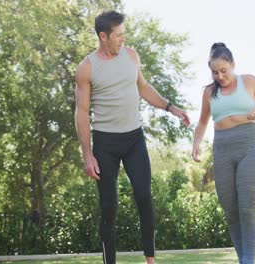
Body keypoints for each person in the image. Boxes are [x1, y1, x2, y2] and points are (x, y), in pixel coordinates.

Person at [74, 10, 190, 264]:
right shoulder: (86, 68)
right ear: (103, 36)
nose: (122, 39)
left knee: (144, 196)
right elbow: (81, 113)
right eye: (118, 36)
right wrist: (87, 154)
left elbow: (144, 88)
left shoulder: (131, 56)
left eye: (124, 34)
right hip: (105, 143)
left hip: (133, 139)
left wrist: (171, 107)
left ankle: (150, 259)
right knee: (109, 207)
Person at [192, 42, 255, 264]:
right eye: (215, 72)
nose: (220, 76)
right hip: (222, 150)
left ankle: (248, 260)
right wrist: (196, 143)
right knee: (230, 210)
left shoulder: (249, 82)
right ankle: (244, 260)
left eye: (224, 70)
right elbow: (202, 122)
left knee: (247, 205)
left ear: (233, 64)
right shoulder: (209, 92)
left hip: (249, 146)